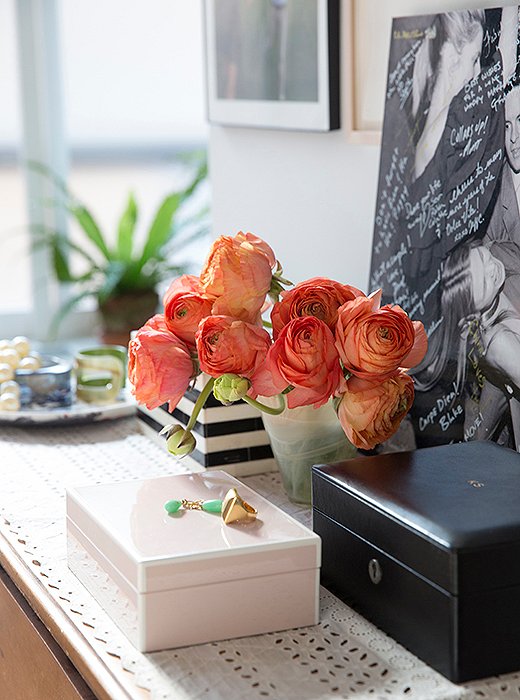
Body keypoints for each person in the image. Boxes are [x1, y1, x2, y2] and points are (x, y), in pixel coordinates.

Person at [415, 243, 520, 446]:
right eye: (483, 282)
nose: (492, 269)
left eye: (482, 256)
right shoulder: (499, 343)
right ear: (470, 311)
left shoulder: (503, 264)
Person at [411, 10, 485, 180]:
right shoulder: (442, 138)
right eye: (474, 60)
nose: (479, 72)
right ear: (452, 59)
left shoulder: (430, 136)